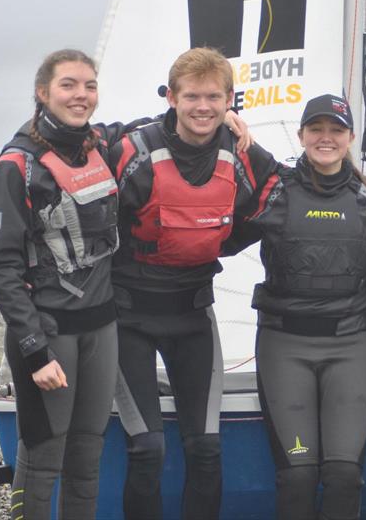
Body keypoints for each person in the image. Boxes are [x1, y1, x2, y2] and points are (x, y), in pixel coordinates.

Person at [109, 47, 278, 520]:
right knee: (147, 449)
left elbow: (281, 196)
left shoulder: (241, 154)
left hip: (193, 316)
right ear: (172, 98)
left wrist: (222, 240)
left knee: (205, 449)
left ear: (230, 102)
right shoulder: (133, 151)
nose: (202, 107)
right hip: (129, 319)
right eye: (191, 97)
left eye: (213, 97)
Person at [0, 49, 139, 520]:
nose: (81, 95)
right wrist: (34, 350)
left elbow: (159, 125)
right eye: (68, 85)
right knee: (43, 457)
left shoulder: (97, 146)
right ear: (43, 93)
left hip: (100, 329)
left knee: (87, 459)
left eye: (89, 85)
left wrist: (227, 120)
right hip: (49, 334)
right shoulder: (15, 167)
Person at [236, 94, 366, 519]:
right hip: (285, 346)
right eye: (316, 129)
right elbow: (217, 238)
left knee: (343, 474)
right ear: (301, 135)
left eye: (336, 130)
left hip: (349, 347)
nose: (325, 137)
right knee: (298, 475)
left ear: (351, 137)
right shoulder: (275, 190)